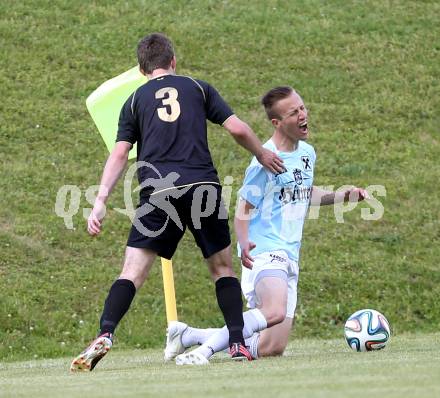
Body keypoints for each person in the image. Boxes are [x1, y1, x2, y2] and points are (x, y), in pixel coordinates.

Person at [70, 33, 284, 372]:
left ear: (143, 70)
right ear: (173, 61)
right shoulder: (198, 88)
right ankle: (238, 343)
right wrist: (262, 153)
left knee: (132, 272)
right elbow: (237, 128)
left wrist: (100, 201)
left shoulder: (134, 101)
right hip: (203, 186)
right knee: (222, 270)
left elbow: (121, 153)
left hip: (158, 194)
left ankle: (106, 333)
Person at [164, 86, 368, 364]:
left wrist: (344, 196)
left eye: (302, 107)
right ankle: (202, 352)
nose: (302, 115)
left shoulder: (307, 153)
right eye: (293, 112)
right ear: (277, 123)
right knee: (273, 311)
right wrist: (244, 242)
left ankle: (189, 335)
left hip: (290, 253)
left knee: (271, 347)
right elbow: (243, 208)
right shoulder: (265, 160)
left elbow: (305, 194)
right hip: (265, 251)